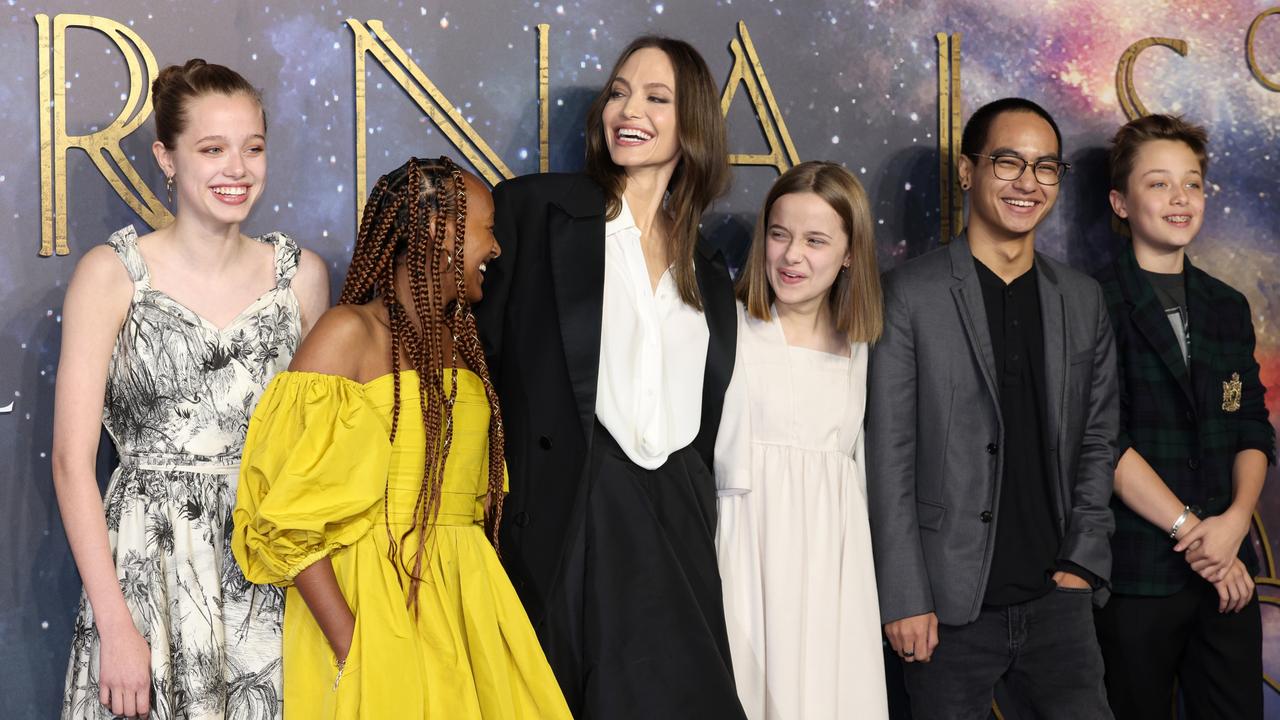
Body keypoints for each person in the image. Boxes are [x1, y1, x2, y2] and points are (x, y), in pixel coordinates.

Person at [231, 157, 572, 719]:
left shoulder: (460, 343)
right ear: (441, 232)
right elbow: (284, 520)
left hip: (467, 605)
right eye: (488, 229)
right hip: (377, 602)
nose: (496, 249)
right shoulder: (348, 334)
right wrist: (355, 644)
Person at [475, 36, 744, 719]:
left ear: (695, 126)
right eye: (619, 92)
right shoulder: (536, 211)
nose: (629, 109)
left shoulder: (708, 269)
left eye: (657, 98)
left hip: (677, 517)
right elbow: (474, 359)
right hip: (572, 509)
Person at [53, 59, 329, 720]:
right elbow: (70, 463)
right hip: (147, 575)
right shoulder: (113, 274)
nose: (237, 168)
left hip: (267, 572)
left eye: (252, 148)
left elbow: (321, 452)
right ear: (166, 157)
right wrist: (117, 628)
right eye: (212, 149)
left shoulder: (302, 278)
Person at [867, 97, 1118, 719]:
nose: (1027, 182)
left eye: (1046, 168)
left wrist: (1082, 564)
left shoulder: (1081, 300)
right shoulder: (910, 294)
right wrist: (903, 597)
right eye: (1008, 162)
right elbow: (887, 456)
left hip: (1057, 599)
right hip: (945, 611)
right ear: (966, 171)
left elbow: (1098, 439)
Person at [1091, 114, 1274, 720]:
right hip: (1138, 571)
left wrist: (1233, 525)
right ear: (1120, 201)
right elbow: (1102, 441)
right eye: (1159, 183)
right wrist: (1195, 534)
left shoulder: (1226, 305)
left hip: (1227, 568)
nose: (1180, 198)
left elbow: (1250, 422)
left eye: (1192, 184)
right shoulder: (1091, 302)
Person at [715, 161, 888, 719]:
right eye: (780, 234)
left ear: (849, 255)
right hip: (744, 554)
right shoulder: (729, 328)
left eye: (815, 241)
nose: (792, 257)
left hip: (831, 568)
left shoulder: (859, 348)